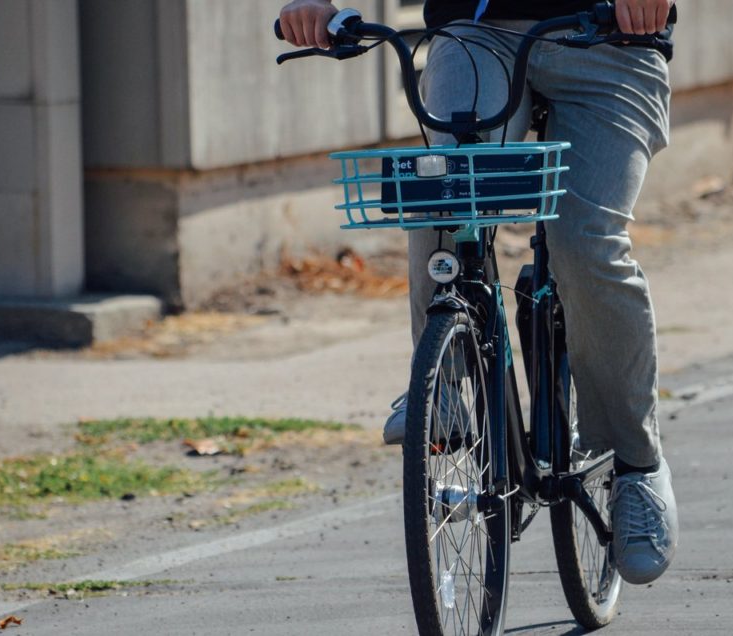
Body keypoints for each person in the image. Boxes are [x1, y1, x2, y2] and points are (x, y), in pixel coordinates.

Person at [278, 0, 679, 586]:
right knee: (442, 191)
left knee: (586, 243)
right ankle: (441, 388)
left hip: (611, 38)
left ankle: (637, 464)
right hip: (476, 32)